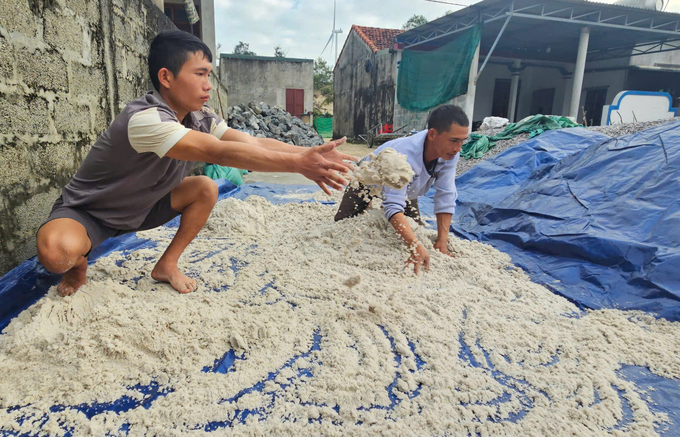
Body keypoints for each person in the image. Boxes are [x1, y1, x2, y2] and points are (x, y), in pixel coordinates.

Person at [36, 30, 356, 296]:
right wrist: (298, 165)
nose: (208, 85)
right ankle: (79, 267)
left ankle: (166, 265)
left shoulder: (200, 118)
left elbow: (251, 142)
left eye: (209, 75)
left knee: (204, 187)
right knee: (56, 252)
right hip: (90, 213)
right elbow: (216, 152)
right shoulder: (146, 119)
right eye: (200, 74)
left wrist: (307, 152)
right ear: (167, 77)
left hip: (145, 208)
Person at [335, 104, 469, 274]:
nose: (458, 148)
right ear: (433, 134)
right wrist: (415, 247)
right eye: (454, 141)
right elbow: (393, 206)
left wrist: (442, 241)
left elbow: (446, 195)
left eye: (462, 141)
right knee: (343, 226)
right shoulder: (404, 155)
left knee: (416, 228)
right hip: (367, 182)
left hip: (408, 190)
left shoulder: (450, 154)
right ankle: (367, 205)